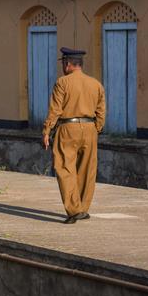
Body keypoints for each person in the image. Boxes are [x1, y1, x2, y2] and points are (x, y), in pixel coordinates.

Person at [41, 48, 106, 224]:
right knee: (87, 170)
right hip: (90, 128)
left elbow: (55, 110)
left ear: (68, 64)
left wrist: (47, 131)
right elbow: (101, 111)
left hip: (68, 128)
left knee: (64, 169)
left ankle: (74, 210)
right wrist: (96, 129)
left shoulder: (62, 83)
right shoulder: (96, 84)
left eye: (63, 63)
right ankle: (83, 208)